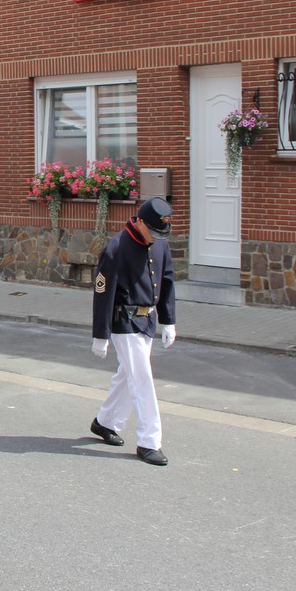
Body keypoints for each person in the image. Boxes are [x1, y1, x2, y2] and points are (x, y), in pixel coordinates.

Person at [88, 197, 177, 466]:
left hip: (147, 321)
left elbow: (167, 280)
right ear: (139, 222)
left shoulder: (159, 242)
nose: (156, 238)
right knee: (142, 379)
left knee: (128, 374)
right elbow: (103, 293)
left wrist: (169, 320)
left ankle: (105, 422)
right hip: (123, 322)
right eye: (153, 231)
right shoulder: (117, 247)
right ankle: (149, 441)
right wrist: (101, 334)